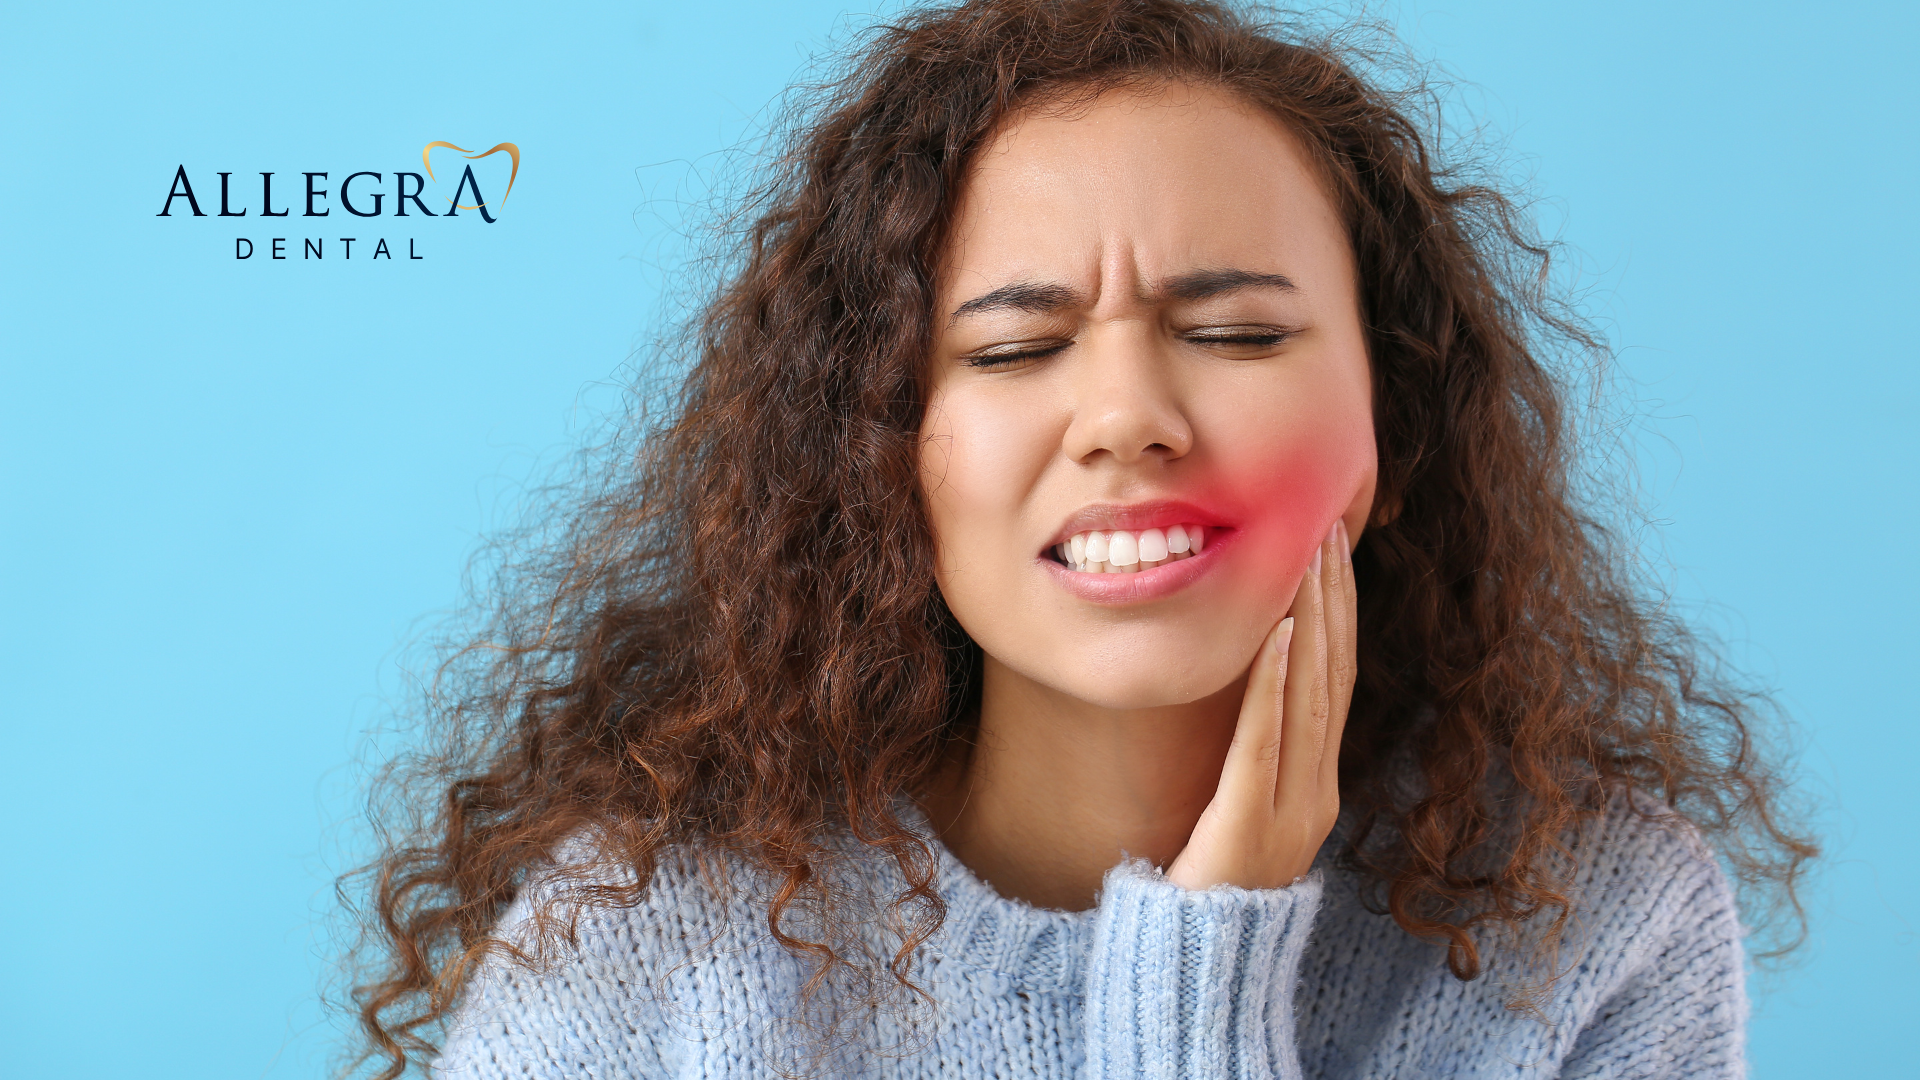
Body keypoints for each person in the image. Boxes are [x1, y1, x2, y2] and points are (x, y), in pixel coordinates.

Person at [345, 1, 1814, 1076]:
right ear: (878, 460)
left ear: (1395, 425)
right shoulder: (635, 950)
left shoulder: (1597, 922)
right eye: (1009, 350)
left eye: (1237, 330)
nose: (1126, 417)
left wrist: (1209, 976)